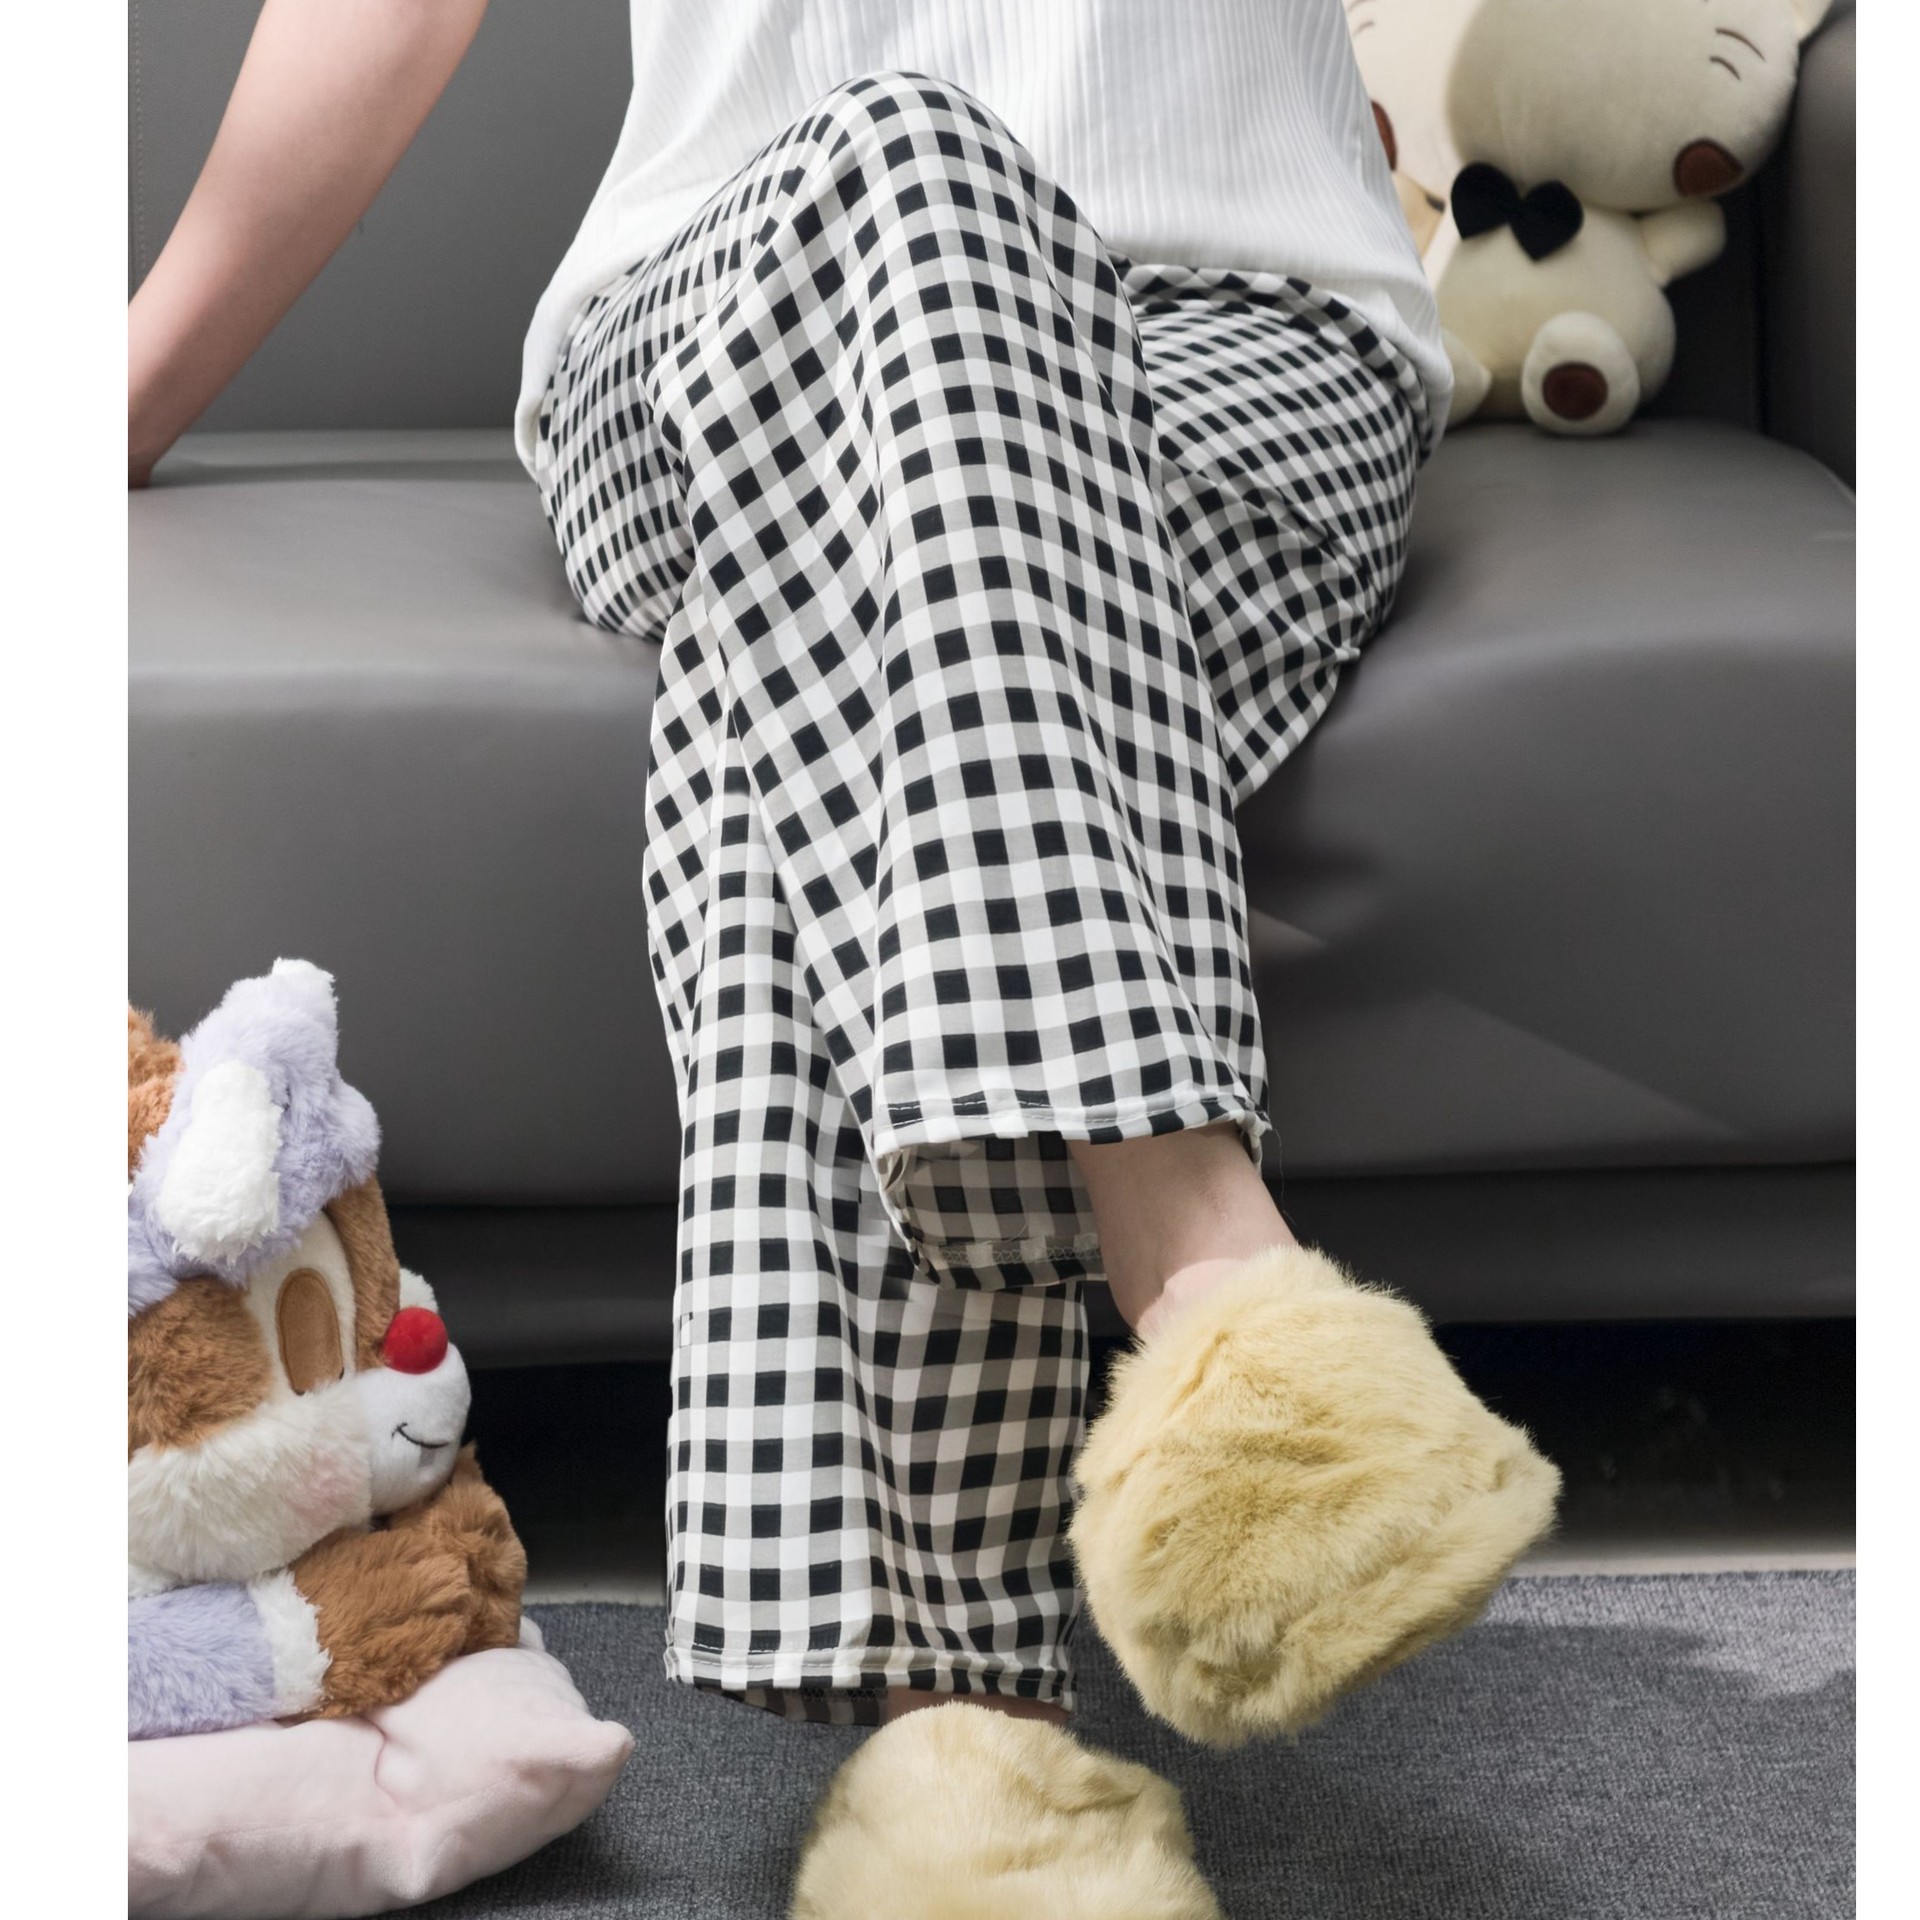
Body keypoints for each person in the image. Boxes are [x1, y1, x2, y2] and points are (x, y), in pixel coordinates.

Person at [130, 4, 1560, 1911]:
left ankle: (962, 1754)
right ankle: (1204, 1258)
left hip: (1243, 337)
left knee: (809, 680)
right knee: (910, 162)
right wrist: (117, 392)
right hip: (708, 317)